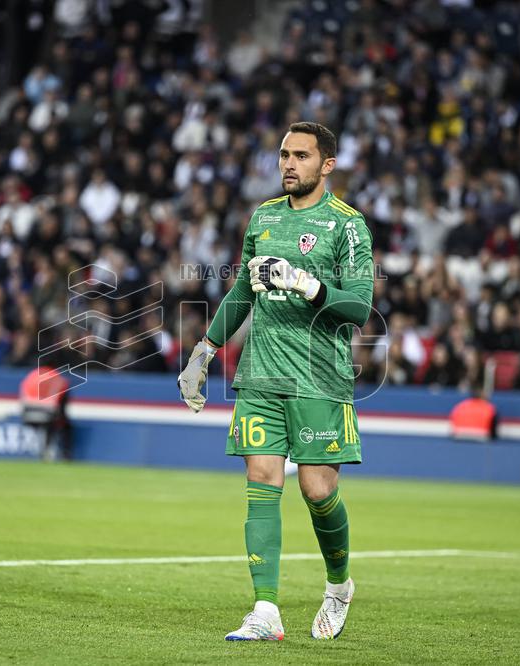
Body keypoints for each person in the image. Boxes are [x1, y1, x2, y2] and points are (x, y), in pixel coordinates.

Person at [177, 122, 373, 641]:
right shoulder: (263, 216)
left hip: (319, 379)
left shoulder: (348, 226)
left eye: (301, 156)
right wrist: (204, 351)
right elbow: (242, 289)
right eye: (284, 154)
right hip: (260, 374)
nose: (289, 164)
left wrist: (308, 284)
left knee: (316, 489)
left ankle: (338, 585)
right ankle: (265, 610)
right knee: (262, 480)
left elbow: (358, 307)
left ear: (326, 165)